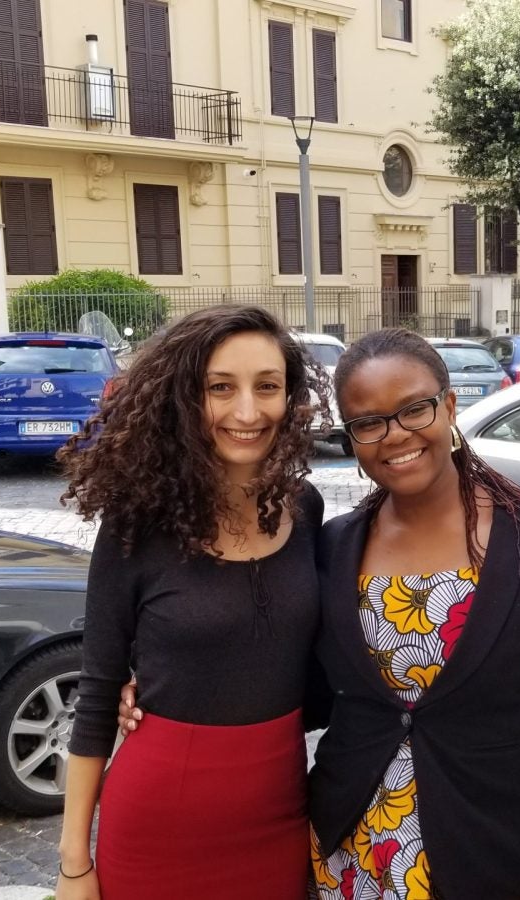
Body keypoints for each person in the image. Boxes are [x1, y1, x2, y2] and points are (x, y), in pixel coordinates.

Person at [120, 329, 520, 898]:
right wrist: (151, 687)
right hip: (352, 858)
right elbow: (289, 682)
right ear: (352, 438)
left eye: (414, 409)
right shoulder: (335, 545)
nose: (394, 435)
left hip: (494, 853)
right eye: (368, 422)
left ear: (449, 407)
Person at [56, 306, 332, 900]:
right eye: (220, 388)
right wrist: (74, 862)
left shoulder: (306, 508)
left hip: (280, 809)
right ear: (184, 398)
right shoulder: (137, 525)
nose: (247, 412)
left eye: (267, 387)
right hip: (161, 821)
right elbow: (100, 691)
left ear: (291, 398)